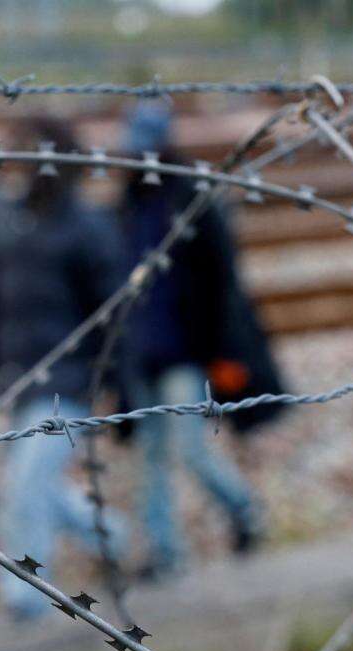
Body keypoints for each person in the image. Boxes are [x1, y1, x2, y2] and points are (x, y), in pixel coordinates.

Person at [0, 116, 129, 620]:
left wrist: (122, 387)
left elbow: (114, 317)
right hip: (16, 384)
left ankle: (26, 599)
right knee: (39, 487)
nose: (21, 168)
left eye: (32, 156)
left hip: (68, 385)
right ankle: (110, 534)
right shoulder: (6, 224)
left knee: (24, 487)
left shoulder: (88, 227)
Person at [119, 101, 278, 580]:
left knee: (188, 450)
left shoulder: (191, 198)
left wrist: (223, 352)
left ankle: (245, 509)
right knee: (150, 458)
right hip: (141, 354)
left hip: (185, 352)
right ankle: (166, 553)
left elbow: (222, 281)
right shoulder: (128, 204)